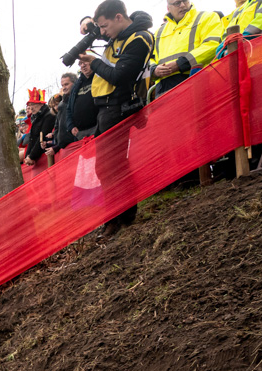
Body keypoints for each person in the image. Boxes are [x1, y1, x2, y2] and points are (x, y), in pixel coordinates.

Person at [80, 0, 154, 236]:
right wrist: (88, 23)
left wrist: (94, 62)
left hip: (118, 106)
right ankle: (119, 214)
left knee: (112, 166)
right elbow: (98, 29)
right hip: (105, 108)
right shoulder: (119, 35)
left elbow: (119, 76)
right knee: (107, 167)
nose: (102, 33)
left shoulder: (139, 38)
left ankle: (119, 216)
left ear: (119, 17)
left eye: (104, 26)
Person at [149, 0, 224, 100]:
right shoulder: (159, 32)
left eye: (185, 1)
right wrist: (154, 70)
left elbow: (213, 45)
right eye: (177, 3)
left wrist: (180, 64)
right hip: (163, 91)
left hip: (196, 83)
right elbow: (149, 58)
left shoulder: (207, 17)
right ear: (168, 8)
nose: (182, 5)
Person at [23, 91, 56, 168]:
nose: (31, 108)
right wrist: (28, 156)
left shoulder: (49, 116)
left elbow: (42, 137)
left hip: (45, 157)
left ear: (41, 104)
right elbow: (32, 138)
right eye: (30, 105)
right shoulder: (36, 117)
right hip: (37, 158)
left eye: (33, 104)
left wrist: (32, 156)